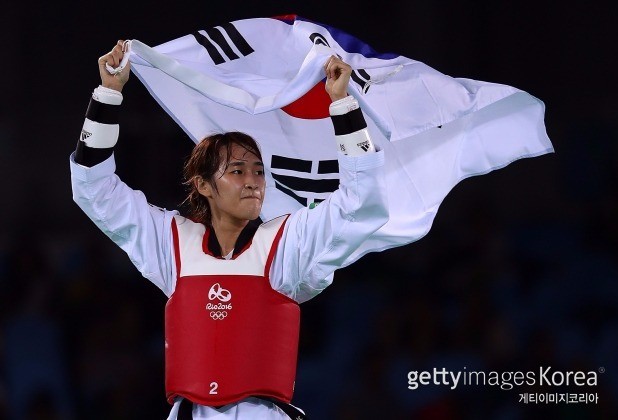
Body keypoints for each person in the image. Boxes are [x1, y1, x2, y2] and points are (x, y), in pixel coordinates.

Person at [70, 40, 389, 419]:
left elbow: (362, 200)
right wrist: (108, 95)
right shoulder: (174, 244)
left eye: (258, 171)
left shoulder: (285, 243)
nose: (253, 181)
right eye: (237, 171)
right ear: (204, 185)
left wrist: (342, 104)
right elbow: (94, 188)